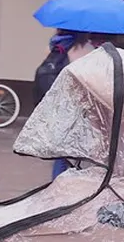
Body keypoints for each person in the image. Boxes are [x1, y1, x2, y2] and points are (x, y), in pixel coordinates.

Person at [36, 29, 111, 179]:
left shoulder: (53, 46)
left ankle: (57, 181)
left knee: (61, 150)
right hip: (79, 104)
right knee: (83, 148)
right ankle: (75, 182)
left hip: (58, 102)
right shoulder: (87, 50)